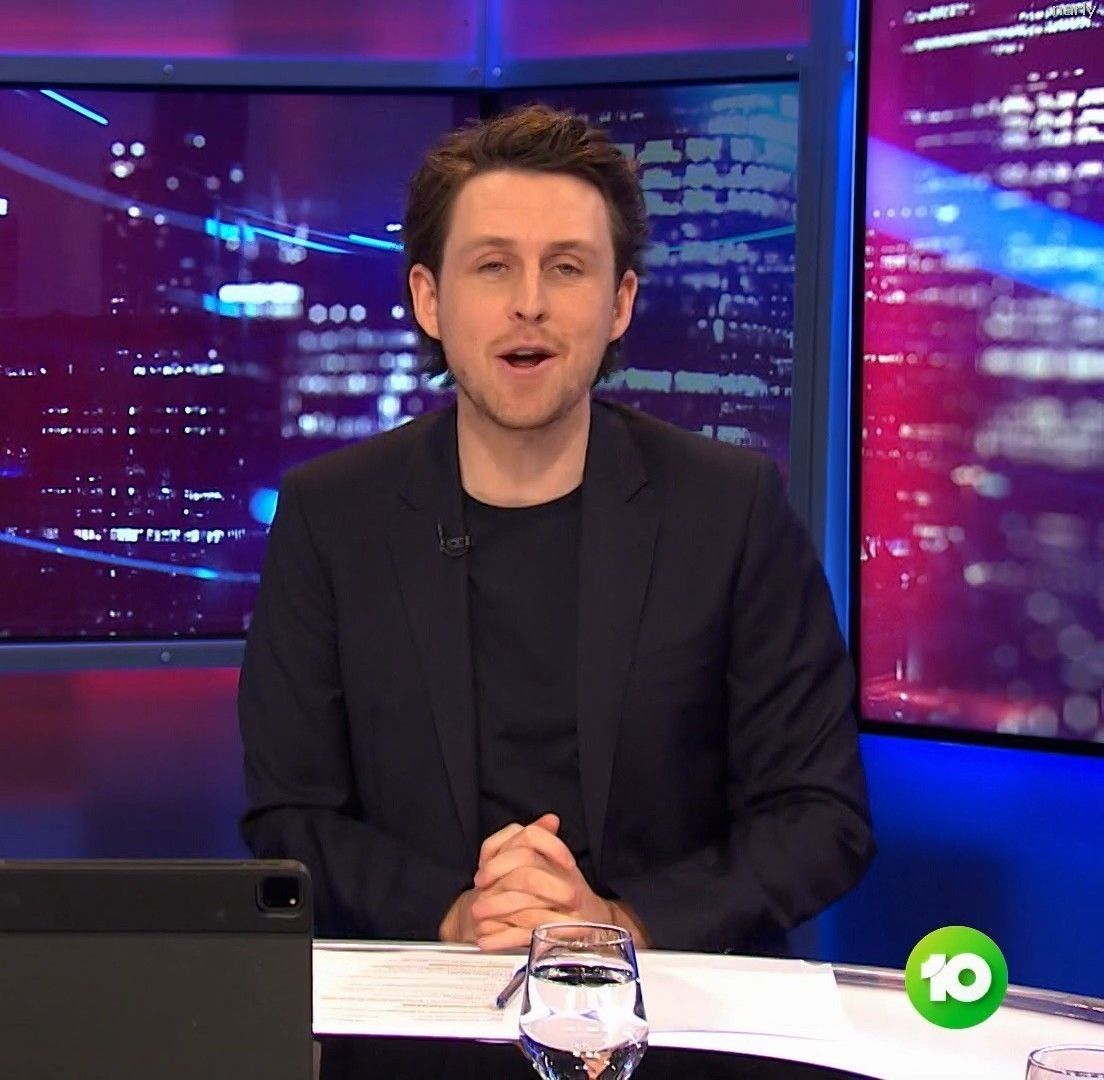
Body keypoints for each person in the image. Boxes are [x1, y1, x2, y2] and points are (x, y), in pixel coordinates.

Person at [238, 104, 873, 955]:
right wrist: (454, 915)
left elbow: (820, 815)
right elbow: (289, 813)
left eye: (566, 268)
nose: (529, 304)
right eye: (493, 266)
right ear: (429, 298)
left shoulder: (731, 509)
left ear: (619, 303)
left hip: (668, 1004)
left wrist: (620, 923)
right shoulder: (331, 515)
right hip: (425, 999)